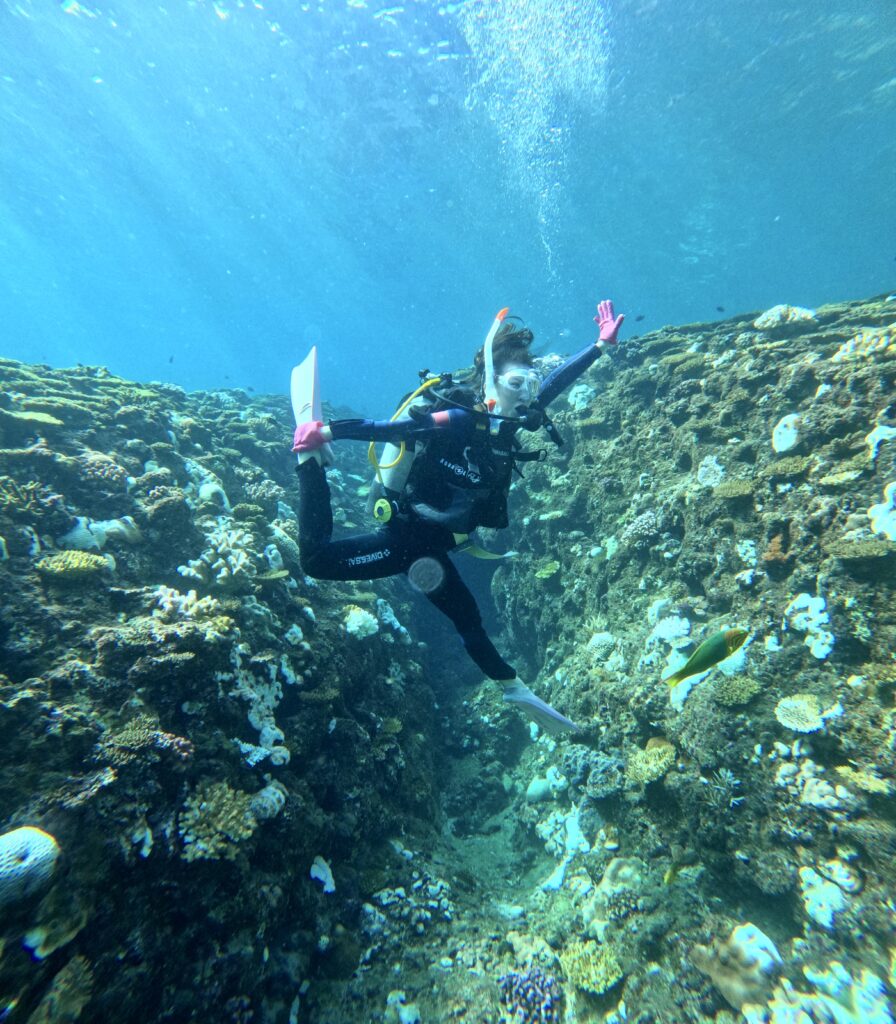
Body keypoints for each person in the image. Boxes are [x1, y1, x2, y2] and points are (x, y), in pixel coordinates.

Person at [292, 300, 625, 735]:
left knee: (469, 619)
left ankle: (513, 687)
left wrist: (599, 346)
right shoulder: (460, 419)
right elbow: (393, 430)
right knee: (315, 561)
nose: (527, 392)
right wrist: (329, 432)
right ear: (492, 380)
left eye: (530, 380)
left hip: (438, 550)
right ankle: (310, 465)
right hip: (404, 539)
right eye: (518, 381)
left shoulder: (512, 421)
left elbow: (555, 385)